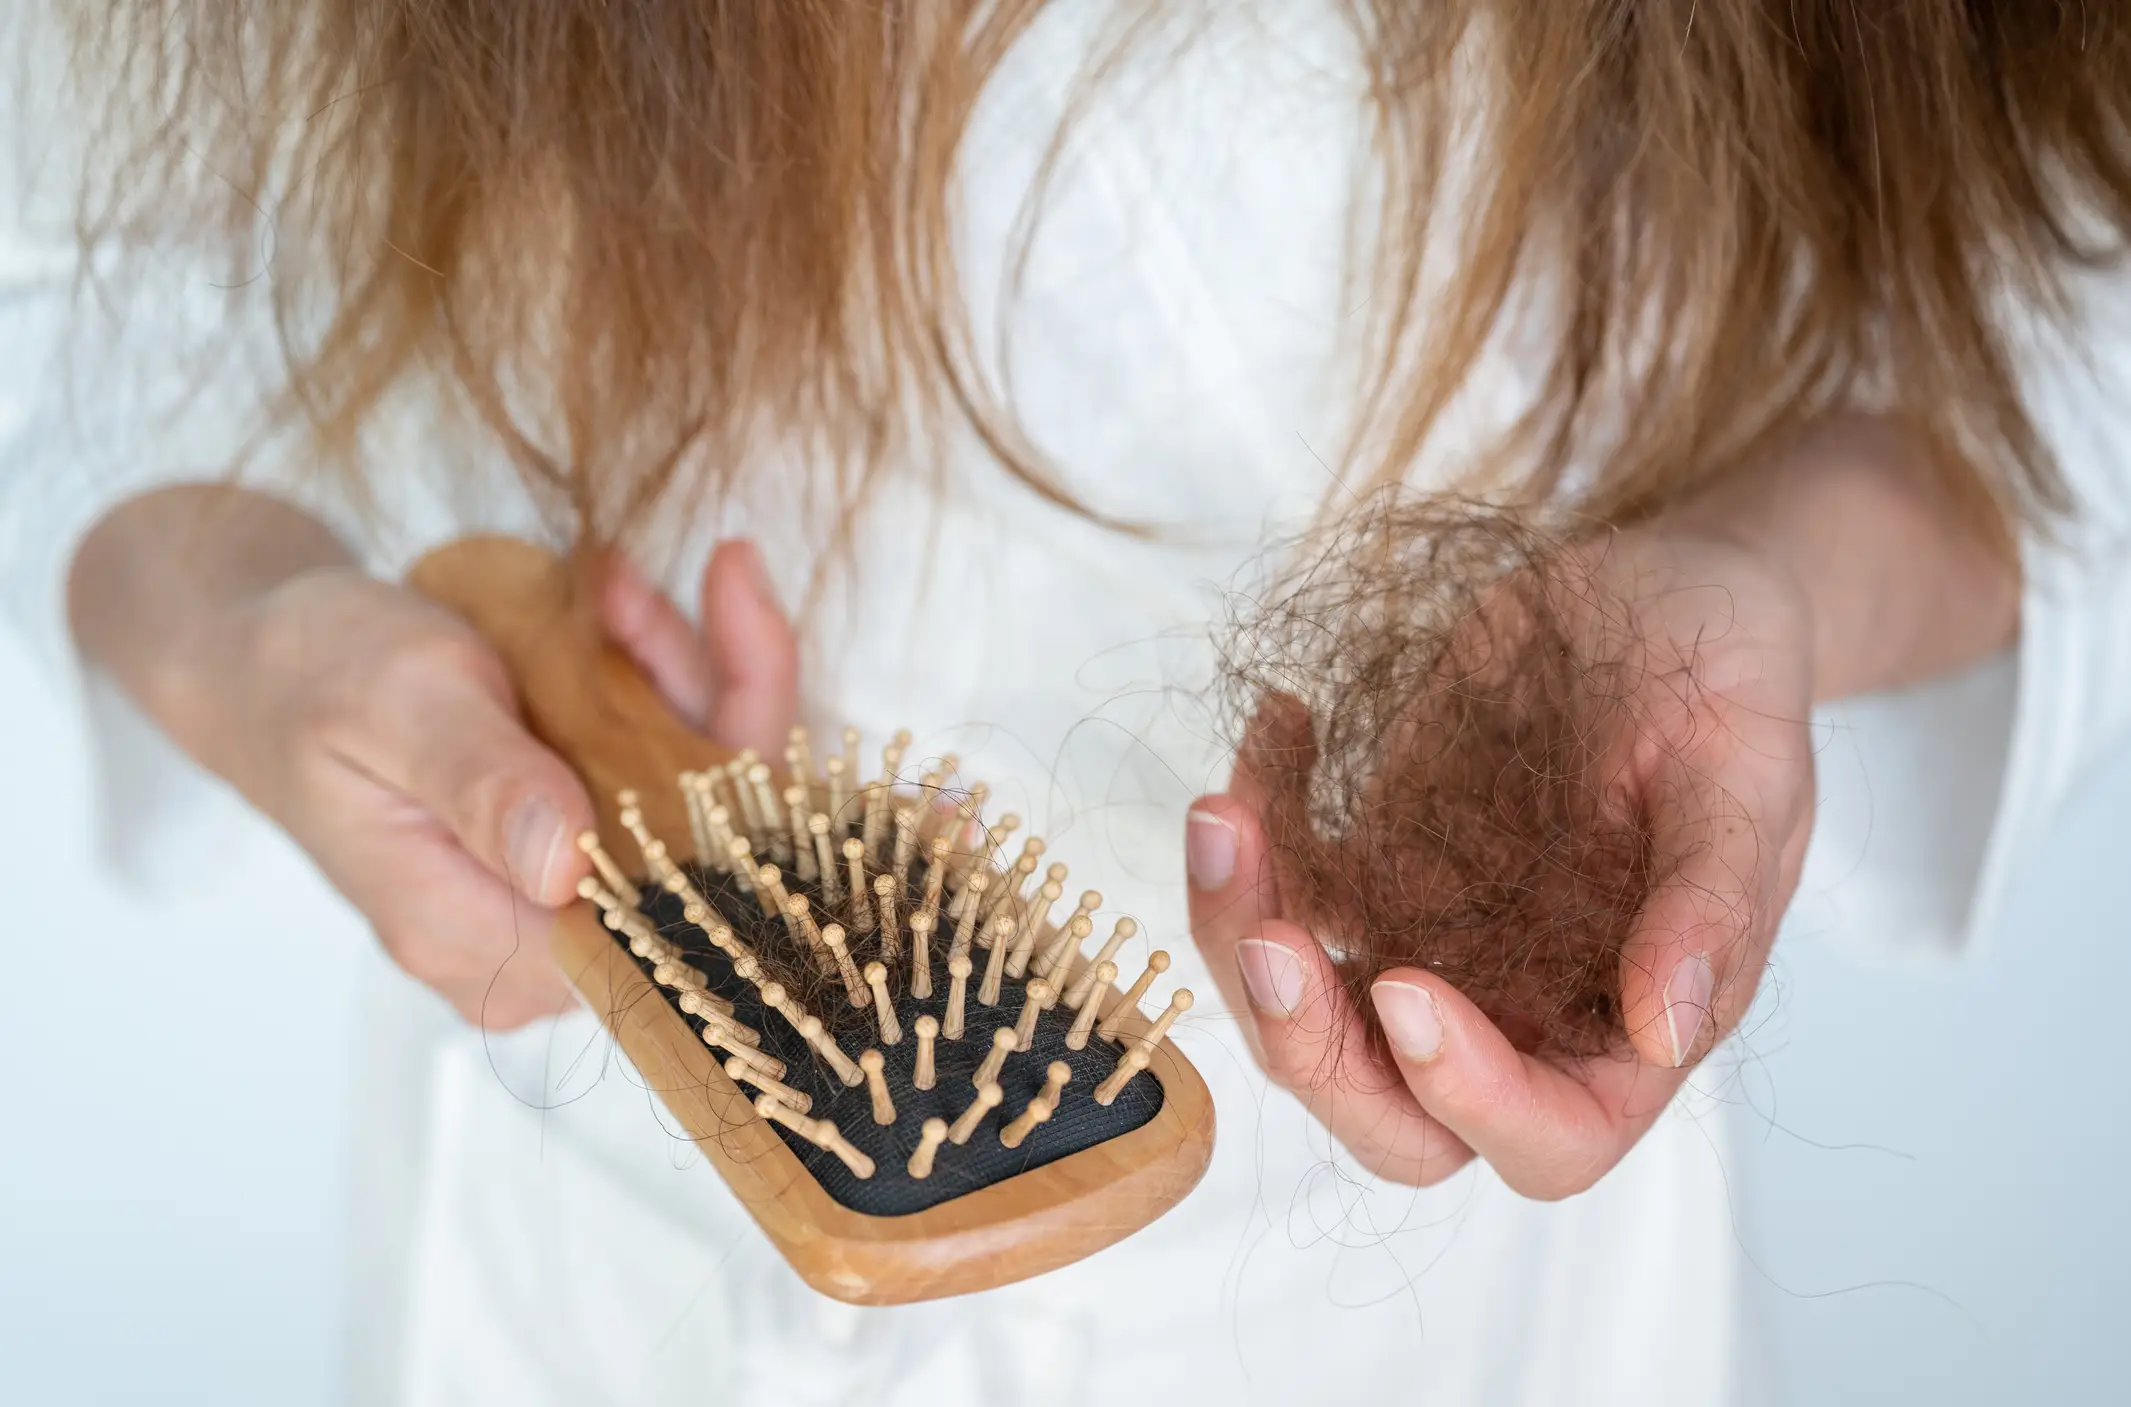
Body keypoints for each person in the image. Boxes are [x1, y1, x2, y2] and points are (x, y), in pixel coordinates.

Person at [7, 2, 2129, 1403]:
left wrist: (1756, 576)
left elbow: (2053, 339)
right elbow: (92, 278)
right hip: (600, 1251)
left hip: (1446, 1316)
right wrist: (246, 622)